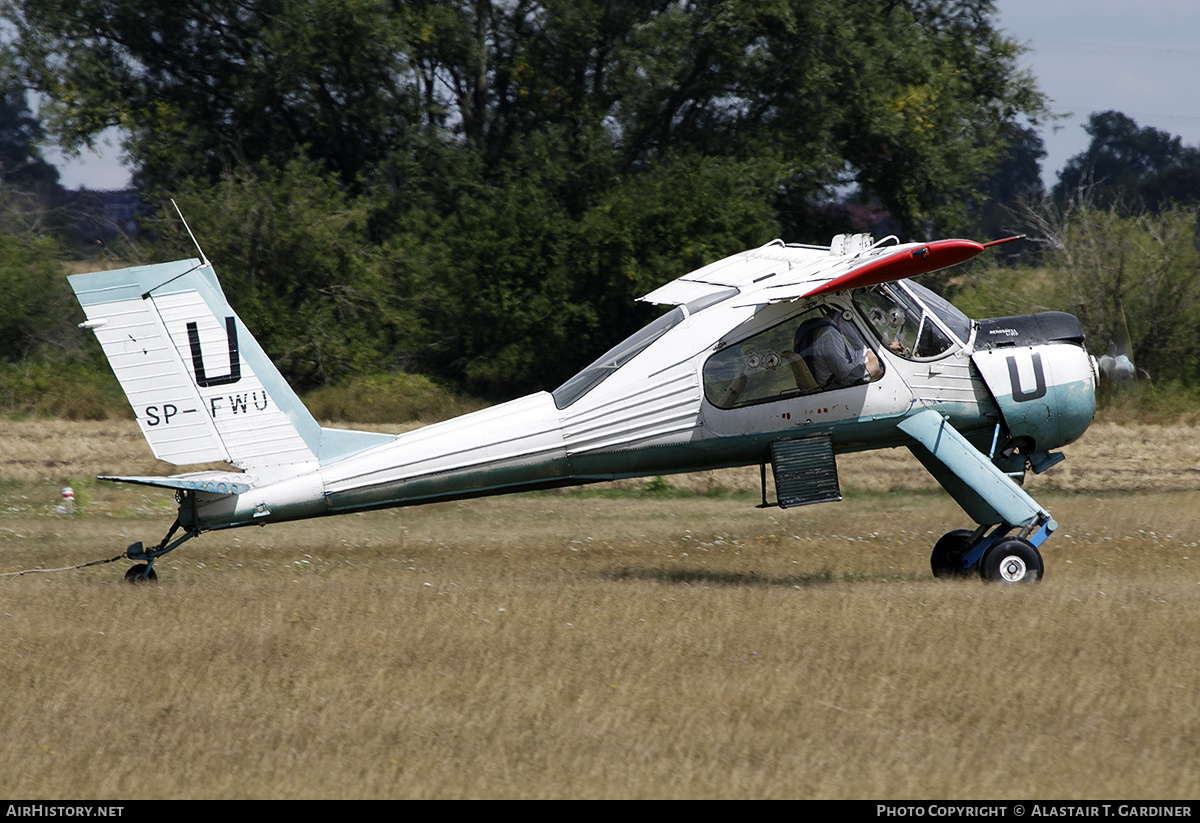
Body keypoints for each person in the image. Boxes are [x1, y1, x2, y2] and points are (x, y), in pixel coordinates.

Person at [793, 311, 882, 390]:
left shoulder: (827, 328)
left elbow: (850, 355)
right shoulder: (829, 334)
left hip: (832, 378)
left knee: (876, 360)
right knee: (877, 368)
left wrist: (867, 352)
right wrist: (869, 359)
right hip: (832, 385)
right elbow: (843, 372)